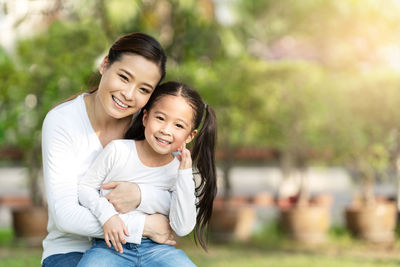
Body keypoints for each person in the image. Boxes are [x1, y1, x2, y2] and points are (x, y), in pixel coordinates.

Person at [41, 32, 180, 267]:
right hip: (71, 249)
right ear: (105, 64)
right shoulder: (62, 121)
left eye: (144, 90)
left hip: (140, 248)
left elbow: (176, 195)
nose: (128, 94)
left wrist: (140, 195)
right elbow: (64, 215)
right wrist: (145, 226)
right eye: (124, 77)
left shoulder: (150, 127)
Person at [76, 81, 217, 266]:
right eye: (160, 118)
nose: (166, 130)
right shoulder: (118, 151)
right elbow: (86, 188)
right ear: (145, 118)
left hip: (158, 249)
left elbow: (182, 227)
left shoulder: (181, 173)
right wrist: (107, 216)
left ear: (190, 136)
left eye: (179, 126)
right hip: (110, 247)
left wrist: (183, 174)